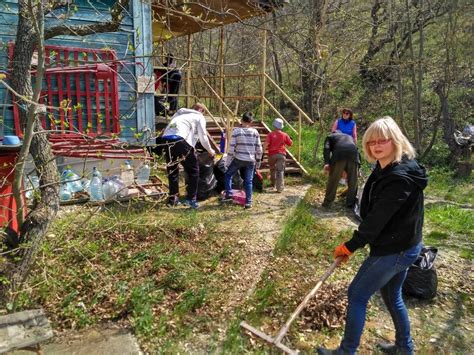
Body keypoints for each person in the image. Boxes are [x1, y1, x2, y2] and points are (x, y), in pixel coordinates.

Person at [317, 116, 428, 355]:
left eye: (382, 141)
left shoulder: (400, 177)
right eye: (370, 143)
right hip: (404, 245)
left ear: (395, 140)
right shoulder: (388, 164)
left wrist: (350, 246)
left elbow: (377, 219)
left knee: (357, 294)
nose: (376, 146)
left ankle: (346, 352)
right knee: (392, 295)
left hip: (394, 250)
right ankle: (404, 348)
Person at [161, 103, 215, 209]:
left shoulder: (180, 114)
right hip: (180, 140)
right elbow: (203, 136)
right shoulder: (199, 116)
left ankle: (173, 199)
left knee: (172, 170)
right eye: (203, 112)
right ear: (201, 110)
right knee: (194, 170)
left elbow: (185, 131)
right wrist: (210, 151)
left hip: (166, 140)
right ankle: (191, 200)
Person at [223, 112, 263, 209]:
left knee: (228, 174)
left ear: (241, 121)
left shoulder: (236, 131)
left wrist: (227, 163)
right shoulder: (255, 132)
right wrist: (258, 163)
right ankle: (248, 202)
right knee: (248, 181)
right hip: (250, 160)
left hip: (238, 159)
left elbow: (231, 149)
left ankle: (228, 193)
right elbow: (259, 149)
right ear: (251, 122)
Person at [322, 130, 359, 209]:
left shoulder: (330, 136)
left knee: (333, 179)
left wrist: (327, 163)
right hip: (354, 156)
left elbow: (326, 148)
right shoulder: (349, 137)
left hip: (338, 155)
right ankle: (350, 204)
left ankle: (328, 203)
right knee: (353, 181)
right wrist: (358, 165)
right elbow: (356, 149)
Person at [266, 118, 292, 192]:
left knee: (272, 169)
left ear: (274, 125)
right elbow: (290, 144)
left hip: (272, 155)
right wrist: (290, 139)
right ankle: (279, 188)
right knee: (280, 171)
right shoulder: (285, 135)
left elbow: (266, 144)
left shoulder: (270, 134)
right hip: (281, 155)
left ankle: (273, 184)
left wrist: (262, 151)